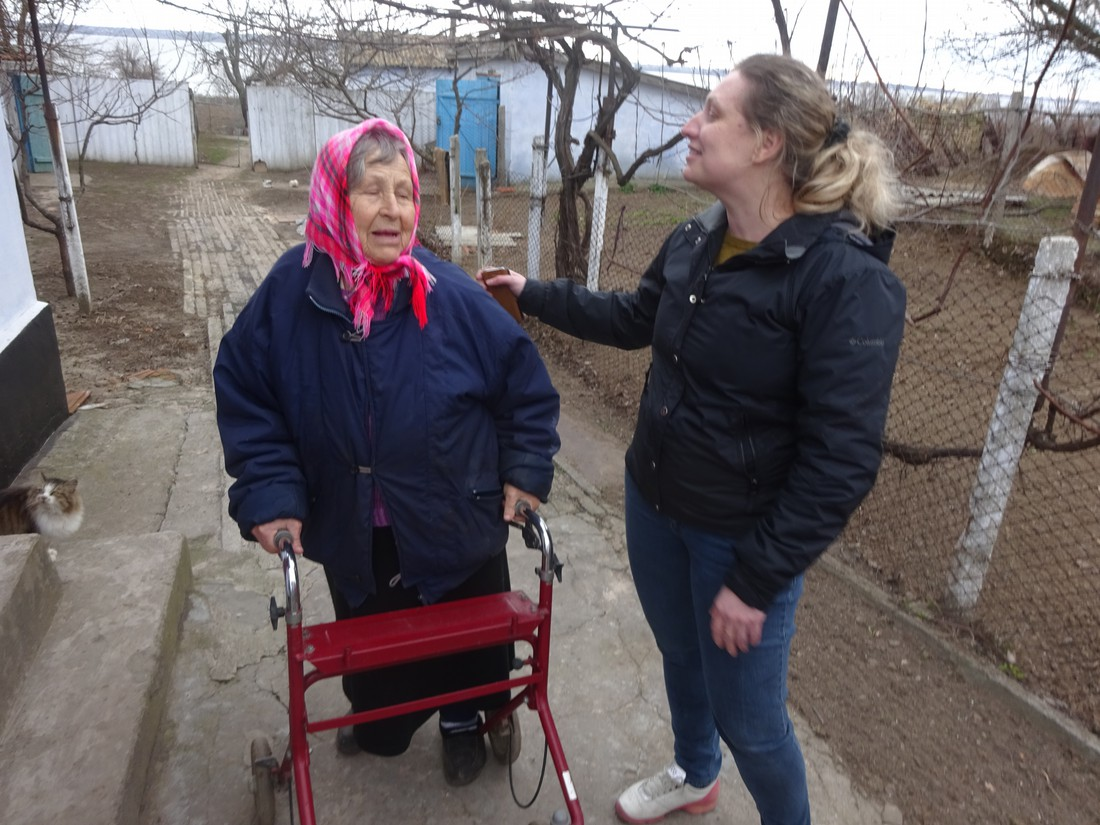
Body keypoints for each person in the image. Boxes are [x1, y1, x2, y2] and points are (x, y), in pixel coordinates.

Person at [480, 54, 907, 824]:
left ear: (768, 142)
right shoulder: (697, 238)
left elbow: (841, 460)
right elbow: (632, 318)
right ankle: (694, 771)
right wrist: (532, 294)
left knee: (754, 720)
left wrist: (756, 579)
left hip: (739, 541)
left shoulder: (843, 280)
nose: (689, 124)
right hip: (654, 502)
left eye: (711, 111)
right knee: (681, 656)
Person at [214, 118, 560, 788]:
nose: (393, 208)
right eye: (371, 191)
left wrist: (524, 469)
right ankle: (384, 718)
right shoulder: (291, 295)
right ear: (333, 201)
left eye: (404, 191)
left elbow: (524, 386)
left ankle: (467, 717)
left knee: (470, 653)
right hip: (355, 529)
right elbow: (248, 398)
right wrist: (273, 495)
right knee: (378, 681)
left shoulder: (448, 294)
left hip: (457, 519)